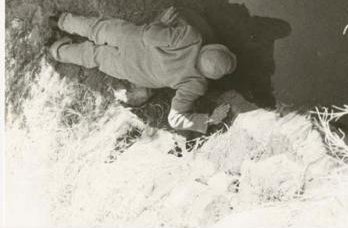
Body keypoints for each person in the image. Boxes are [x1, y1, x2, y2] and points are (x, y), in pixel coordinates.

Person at [48, 7, 237, 134]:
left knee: (97, 29)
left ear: (212, 47)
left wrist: (161, 23)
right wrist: (209, 120)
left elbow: (149, 36)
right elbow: (175, 119)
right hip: (130, 69)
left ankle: (62, 21)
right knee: (94, 56)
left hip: (129, 39)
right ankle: (56, 50)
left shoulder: (191, 38)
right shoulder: (196, 84)